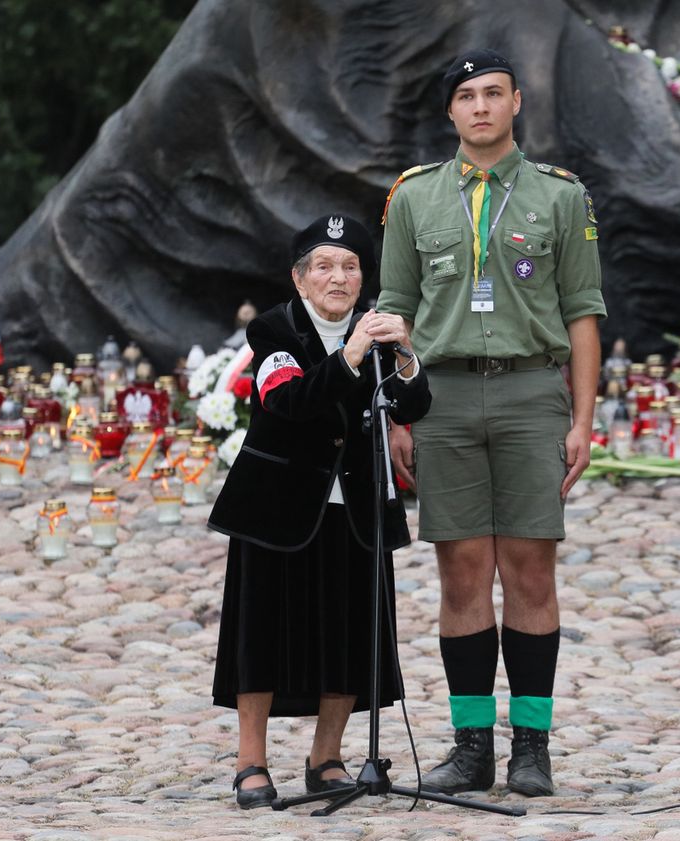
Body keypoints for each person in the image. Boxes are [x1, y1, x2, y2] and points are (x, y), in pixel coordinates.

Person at [377, 49, 606, 797]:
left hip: (530, 394)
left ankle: (531, 749)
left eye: (494, 94)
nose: (480, 107)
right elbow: (396, 315)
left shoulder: (559, 196)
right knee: (463, 573)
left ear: (515, 104)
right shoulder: (414, 198)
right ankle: (471, 744)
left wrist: (583, 417)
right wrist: (398, 414)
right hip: (441, 397)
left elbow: (581, 313)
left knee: (532, 572)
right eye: (467, 96)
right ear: (450, 111)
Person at [208, 214, 430, 809]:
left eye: (351, 266)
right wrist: (352, 354)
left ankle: (325, 757)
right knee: (260, 633)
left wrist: (405, 352)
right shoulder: (273, 330)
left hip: (355, 502)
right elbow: (289, 402)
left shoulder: (376, 331)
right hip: (276, 505)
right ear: (300, 278)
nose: (339, 278)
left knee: (348, 631)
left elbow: (415, 401)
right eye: (325, 267)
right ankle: (250, 761)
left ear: (363, 278)